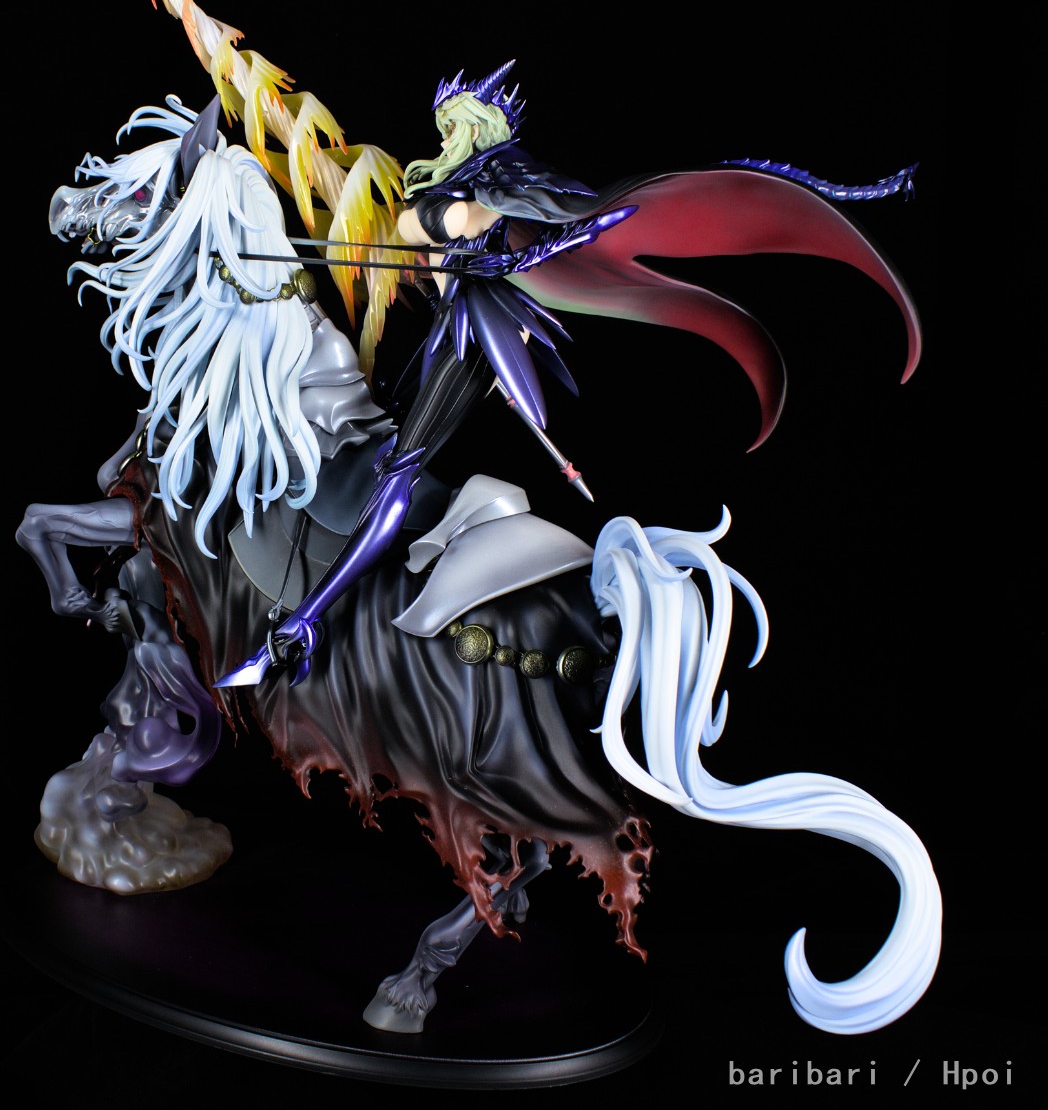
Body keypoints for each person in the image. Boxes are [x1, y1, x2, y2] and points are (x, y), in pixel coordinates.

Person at [220, 61, 920, 688]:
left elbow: (491, 223)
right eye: (445, 126)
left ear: (481, 125)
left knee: (399, 470)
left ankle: (306, 621)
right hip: (449, 330)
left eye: (456, 123)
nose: (446, 135)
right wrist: (466, 236)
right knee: (386, 433)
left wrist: (503, 238)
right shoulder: (467, 183)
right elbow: (422, 229)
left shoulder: (504, 177)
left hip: (475, 341)